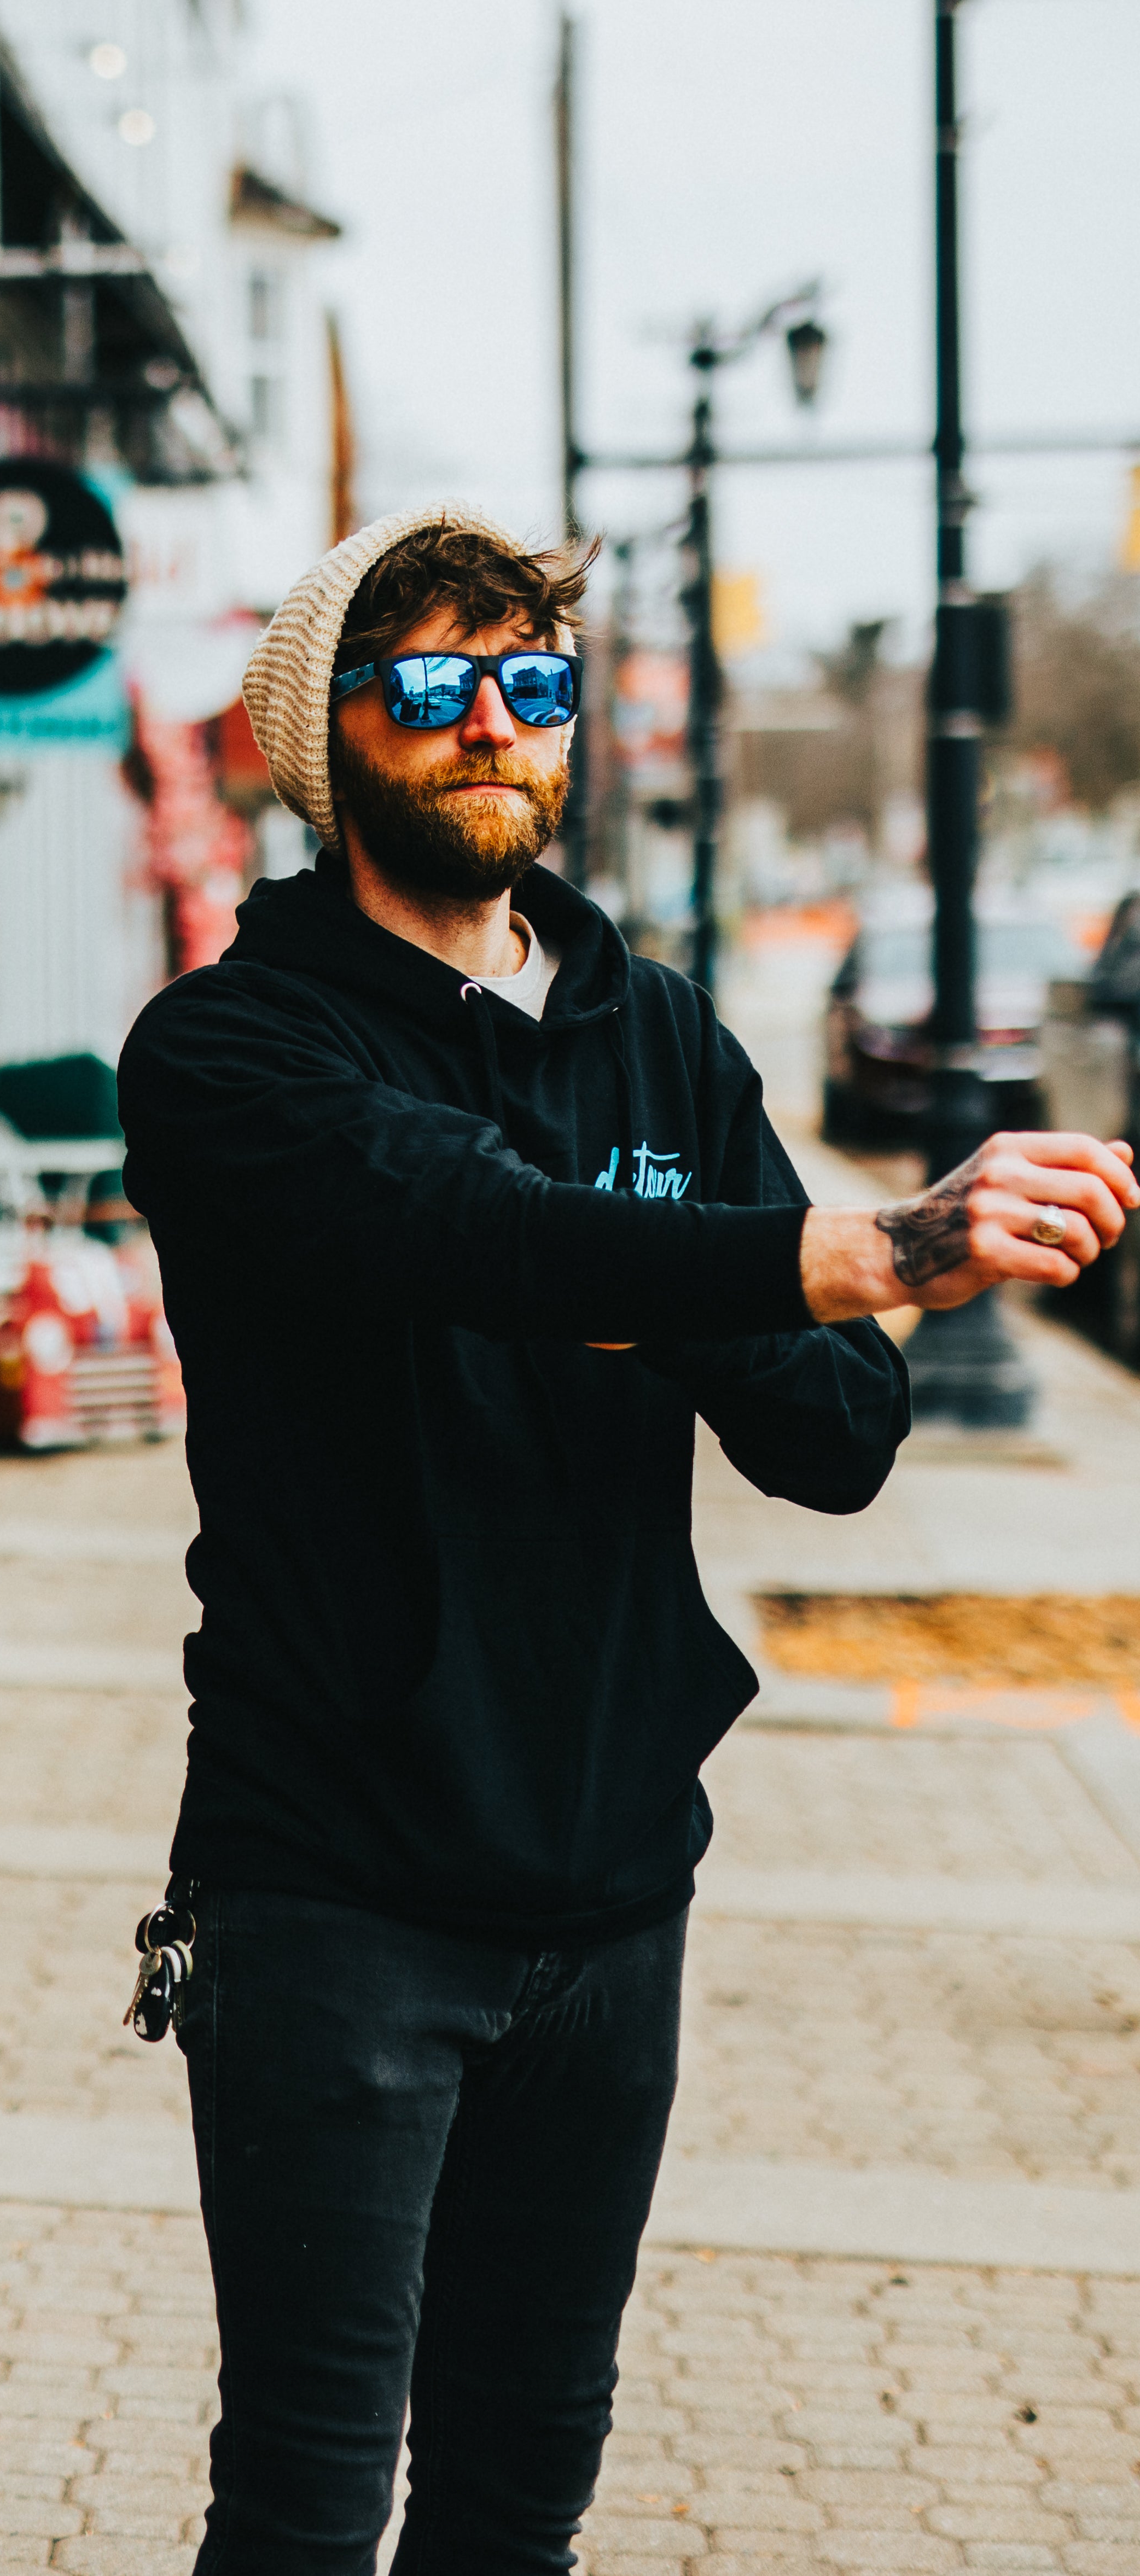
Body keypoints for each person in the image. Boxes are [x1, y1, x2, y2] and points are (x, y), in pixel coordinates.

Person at [117, 505, 1137, 2576]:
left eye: (534, 682)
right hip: (335, 1886)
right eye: (437, 686)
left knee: (520, 2501)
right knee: (308, 2511)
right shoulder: (231, 1052)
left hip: (610, 1888)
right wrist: (846, 1244)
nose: (497, 725)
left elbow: (837, 1442)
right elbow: (470, 1227)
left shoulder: (657, 1030)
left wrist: (803, 1288)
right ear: (334, 742)